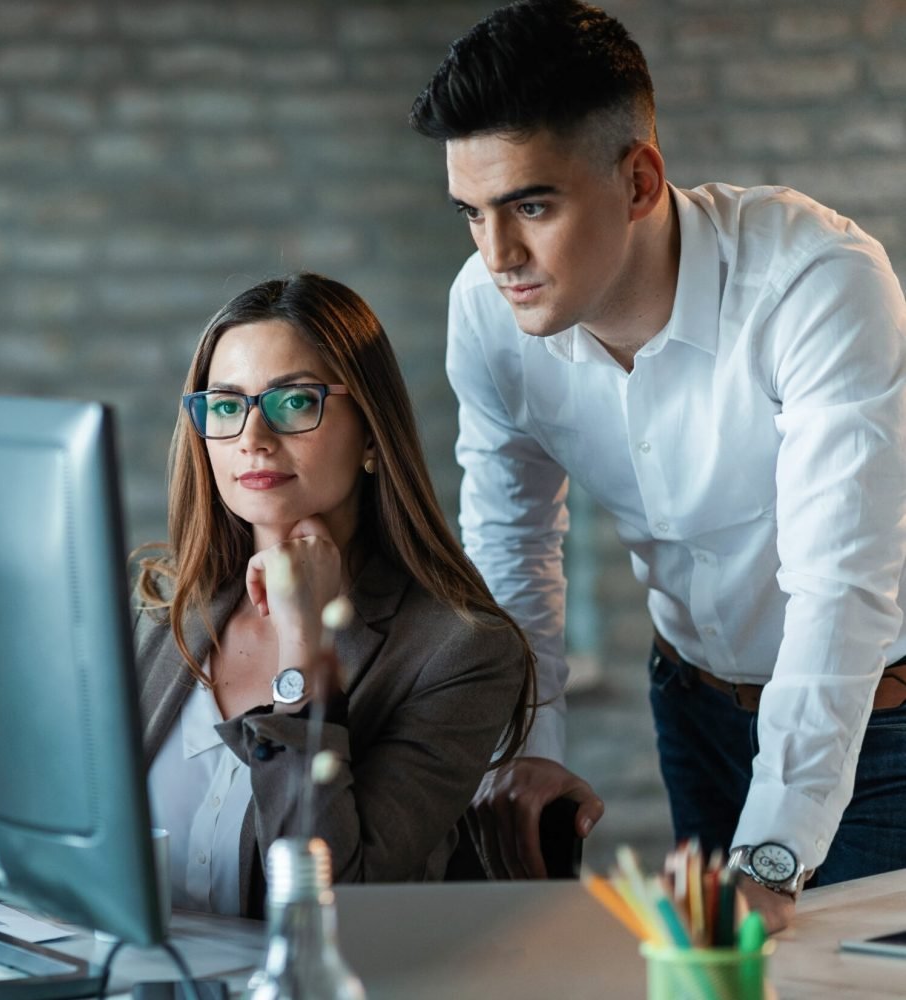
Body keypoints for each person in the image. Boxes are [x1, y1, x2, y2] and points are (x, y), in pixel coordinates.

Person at [410, 0, 906, 930]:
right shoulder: (484, 308)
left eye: (531, 205)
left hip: (882, 723)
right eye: (471, 213)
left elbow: (841, 590)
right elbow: (510, 539)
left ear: (639, 180)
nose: (498, 255)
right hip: (695, 710)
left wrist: (771, 854)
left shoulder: (818, 286)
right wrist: (531, 744)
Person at [133, 272, 536, 917]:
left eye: (294, 403)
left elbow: (334, 899)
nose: (252, 438)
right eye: (227, 405)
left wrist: (302, 650)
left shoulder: (459, 653)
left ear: (373, 434)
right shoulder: (162, 612)